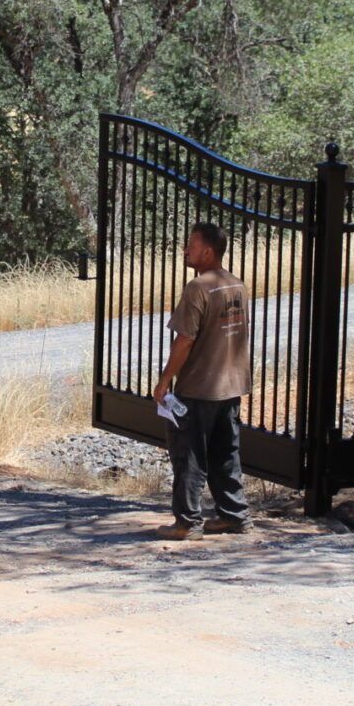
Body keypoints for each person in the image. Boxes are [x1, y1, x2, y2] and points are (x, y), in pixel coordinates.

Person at [151, 221, 251, 540]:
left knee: (189, 454)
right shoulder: (236, 284)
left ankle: (188, 522)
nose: (186, 250)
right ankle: (235, 516)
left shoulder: (198, 288)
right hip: (231, 385)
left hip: (199, 387)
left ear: (208, 252)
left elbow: (184, 340)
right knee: (226, 453)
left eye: (191, 245)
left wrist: (165, 381)